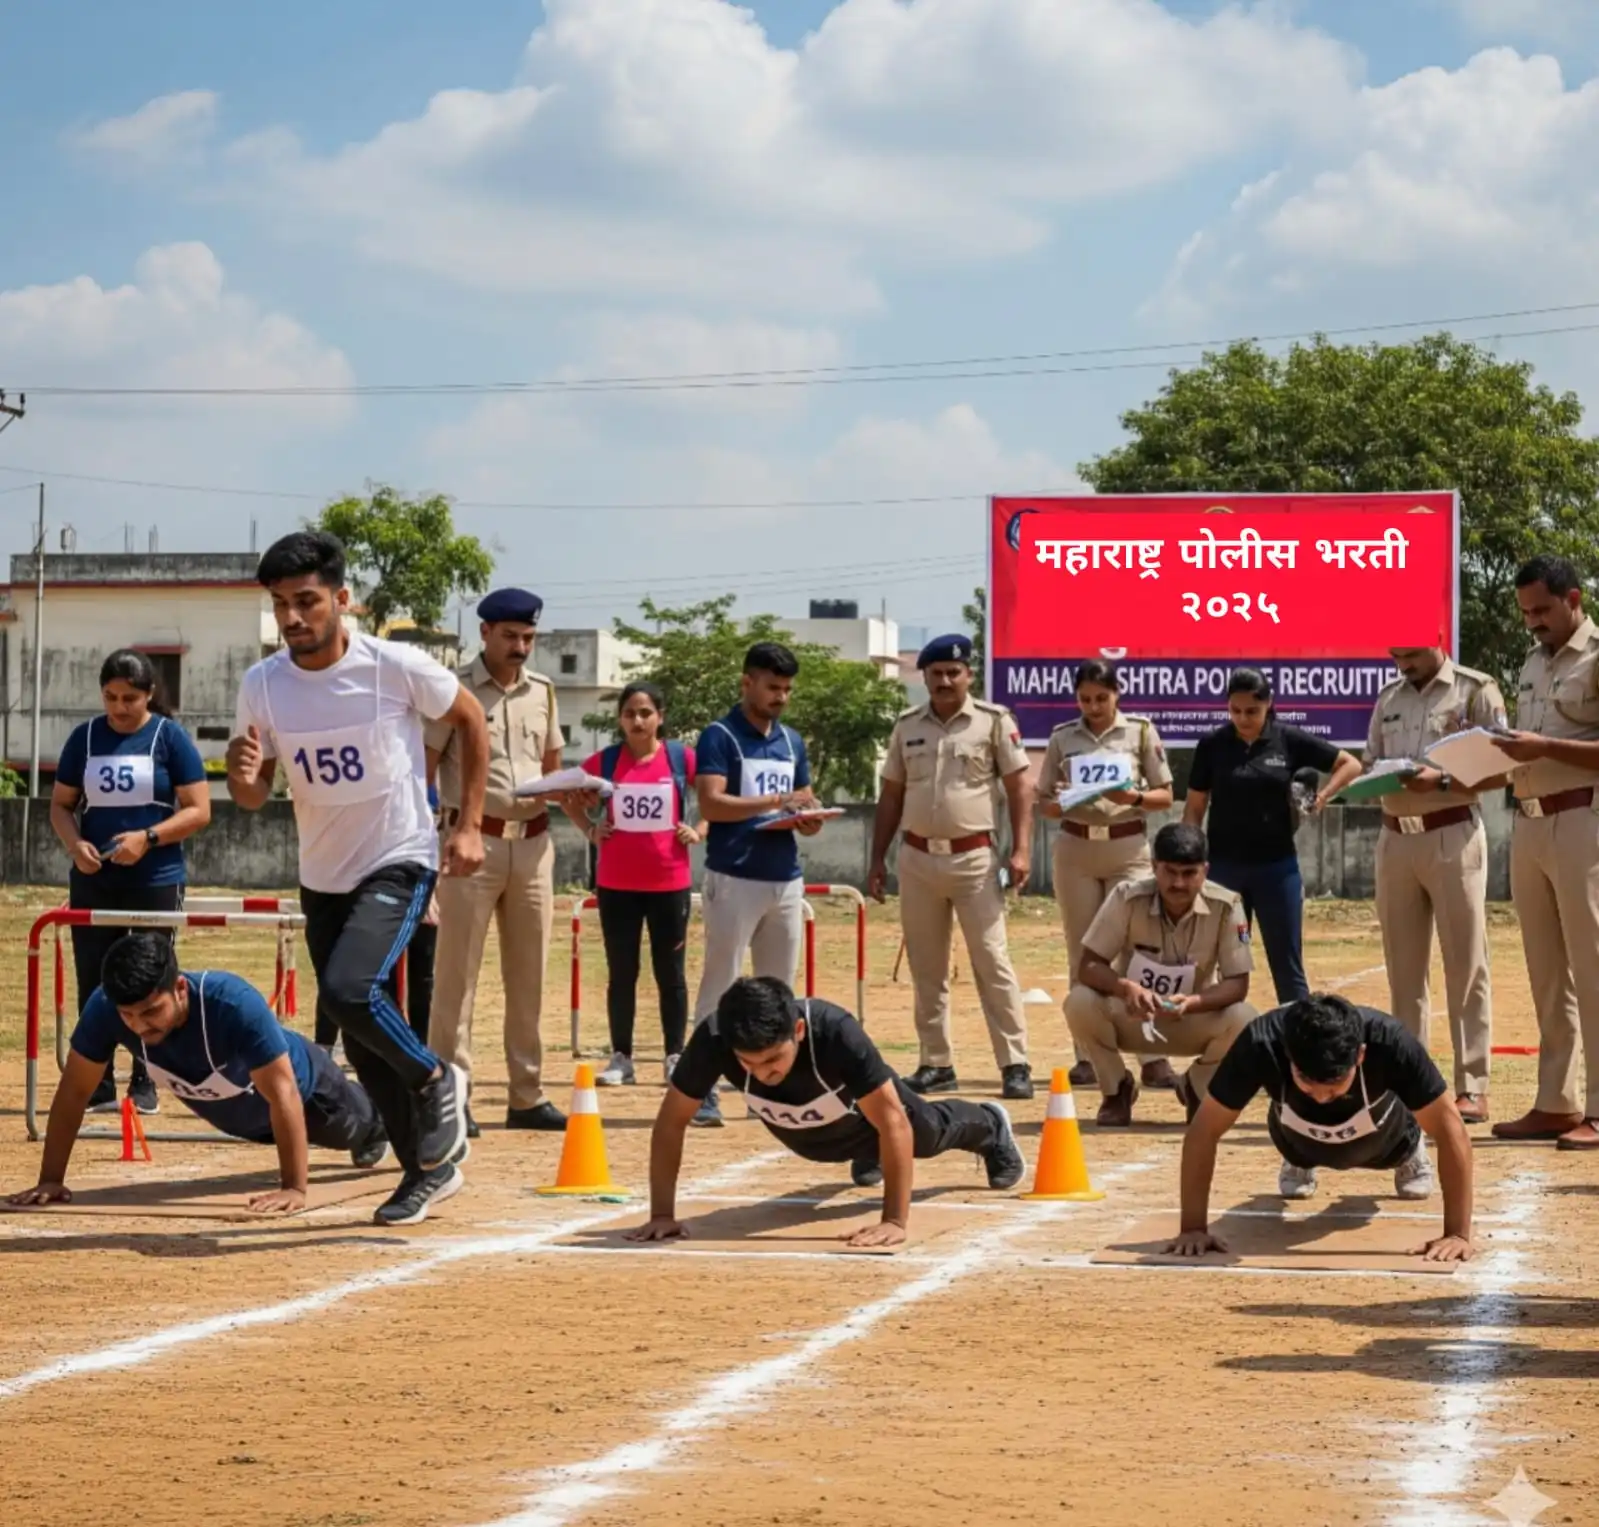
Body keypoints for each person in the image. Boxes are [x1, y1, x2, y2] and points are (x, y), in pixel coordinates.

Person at [226, 530, 488, 1227]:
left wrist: (467, 826)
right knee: (365, 1043)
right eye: (280, 604)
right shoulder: (263, 685)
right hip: (323, 875)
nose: (292, 618)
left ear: (343, 600)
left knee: (348, 992)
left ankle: (438, 1078)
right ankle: (424, 1170)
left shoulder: (391, 666)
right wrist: (242, 772)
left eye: (307, 601)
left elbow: (469, 717)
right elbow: (252, 795)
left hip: (399, 856)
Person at [626, 976, 1026, 1250]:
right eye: (748, 1064)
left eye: (773, 1060)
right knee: (846, 1143)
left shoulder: (835, 1032)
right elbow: (671, 1122)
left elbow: (892, 1121)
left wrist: (894, 1221)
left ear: (797, 1031)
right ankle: (871, 1154)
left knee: (926, 1134)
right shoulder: (714, 1038)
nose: (765, 1074)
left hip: (874, 1117)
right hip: (813, 1137)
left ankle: (989, 1125)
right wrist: (662, 1213)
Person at [10, 932, 390, 1218]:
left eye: (151, 1012)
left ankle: (401, 1114)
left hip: (310, 1096)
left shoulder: (232, 1003)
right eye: (128, 1016)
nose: (139, 1026)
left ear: (179, 988)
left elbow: (284, 1093)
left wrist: (294, 1188)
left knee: (360, 1128)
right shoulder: (104, 1009)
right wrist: (51, 1178)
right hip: (243, 1116)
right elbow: (74, 1091)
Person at [1168, 994, 1474, 1262]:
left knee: (1373, 1163)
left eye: (1334, 1086)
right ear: (1288, 1056)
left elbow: (1451, 1129)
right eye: (1308, 1084)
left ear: (1360, 1055)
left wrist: (1457, 1234)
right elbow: (1204, 1130)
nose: (1322, 1098)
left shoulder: (1390, 1042)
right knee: (1297, 1123)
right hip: (1294, 1133)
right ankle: (1299, 1160)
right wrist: (1193, 1228)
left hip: (1384, 1136)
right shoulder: (1261, 1043)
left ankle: (1409, 1153)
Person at [425, 588, 567, 1135]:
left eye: (528, 637)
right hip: (470, 844)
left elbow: (552, 767)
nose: (520, 647)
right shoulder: (452, 690)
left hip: (533, 845)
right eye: (510, 636)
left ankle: (526, 1095)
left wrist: (577, 794)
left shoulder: (545, 692)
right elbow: (425, 765)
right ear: (484, 632)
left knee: (528, 975)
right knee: (456, 976)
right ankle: (452, 1093)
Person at [869, 634, 1034, 1101]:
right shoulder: (906, 727)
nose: (944, 681)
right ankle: (935, 1062)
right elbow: (891, 796)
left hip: (975, 859)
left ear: (968, 675)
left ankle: (1014, 1062)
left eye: (953, 672)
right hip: (917, 859)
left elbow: (1021, 788)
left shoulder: (994, 722)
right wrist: (877, 859)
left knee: (992, 962)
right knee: (927, 969)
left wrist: (1021, 850)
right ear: (923, 677)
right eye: (936, 673)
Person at [50, 648, 211, 1116]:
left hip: (154, 879)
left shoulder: (169, 738)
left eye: (130, 698)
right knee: (94, 980)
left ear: (149, 695)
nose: (119, 708)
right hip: (95, 880)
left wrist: (149, 837)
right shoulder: (84, 739)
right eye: (110, 697)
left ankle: (146, 1079)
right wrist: (75, 845)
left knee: (148, 981)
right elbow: (61, 806)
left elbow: (200, 810)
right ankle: (96, 1079)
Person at [1363, 646, 1506, 1125]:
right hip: (1394, 838)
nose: (1401, 660)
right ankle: (1410, 1082)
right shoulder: (1388, 698)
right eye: (1394, 652)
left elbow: (1501, 768)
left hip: (1452, 834)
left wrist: (1441, 780)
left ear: (1436, 635)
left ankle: (1472, 1086)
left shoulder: (1475, 689)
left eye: (1409, 650)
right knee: (1404, 970)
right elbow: (1370, 762)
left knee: (1465, 965)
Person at [691, 641, 823, 1127]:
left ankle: (780, 1085)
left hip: (784, 877)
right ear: (747, 682)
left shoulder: (791, 741)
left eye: (787, 689)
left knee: (779, 991)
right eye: (773, 687)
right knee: (721, 982)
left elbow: (803, 799)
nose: (781, 697)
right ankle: (702, 1086)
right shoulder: (720, 735)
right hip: (734, 875)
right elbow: (711, 803)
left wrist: (808, 817)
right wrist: (774, 803)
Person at [1492, 555, 1599, 1149]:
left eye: (1542, 609)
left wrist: (1543, 744)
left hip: (1585, 820)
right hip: (1529, 823)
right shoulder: (1533, 662)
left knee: (1594, 969)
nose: (1533, 621)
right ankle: (1557, 1103)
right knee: (1547, 973)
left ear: (1573, 598)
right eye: (1526, 612)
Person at [1035, 659, 1177, 1093]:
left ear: (1118, 693)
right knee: (1083, 950)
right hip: (1076, 847)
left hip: (1127, 846)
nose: (1093, 706)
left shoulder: (1139, 732)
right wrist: (1057, 801)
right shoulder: (1063, 738)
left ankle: (1152, 1055)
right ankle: (1088, 1053)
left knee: (1138, 949)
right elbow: (1043, 800)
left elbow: (1166, 795)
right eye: (1085, 699)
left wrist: (1131, 794)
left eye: (1101, 697)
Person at [1183, 669, 1362, 1003]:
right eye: (1235, 710)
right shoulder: (1212, 745)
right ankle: (1228, 1047)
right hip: (1223, 871)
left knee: (1288, 968)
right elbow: (1195, 807)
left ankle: (1299, 1046)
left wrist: (1322, 797)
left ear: (1269, 704)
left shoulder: (1288, 739)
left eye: (1252, 710)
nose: (1242, 718)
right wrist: (1189, 858)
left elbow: (1350, 764)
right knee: (1227, 967)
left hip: (1276, 869)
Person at [1064, 822, 1257, 1125]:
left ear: (1204, 870)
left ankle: (1196, 1086)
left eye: (1189, 873)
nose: (1179, 883)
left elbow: (1238, 984)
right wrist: (1125, 987)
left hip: (1190, 1018)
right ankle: (1116, 1090)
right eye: (1170, 872)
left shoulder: (1228, 906)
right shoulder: (1126, 897)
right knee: (1078, 1001)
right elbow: (1087, 965)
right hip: (1132, 1016)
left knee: (1245, 1017)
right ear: (1154, 867)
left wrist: (1191, 1003)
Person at [570, 682, 707, 1087]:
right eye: (629, 713)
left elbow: (717, 794)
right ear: (620, 719)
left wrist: (699, 828)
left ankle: (674, 1055)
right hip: (616, 884)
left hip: (670, 882)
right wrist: (591, 829)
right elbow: (567, 794)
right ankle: (621, 1058)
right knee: (622, 971)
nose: (638, 720)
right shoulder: (607, 761)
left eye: (646, 712)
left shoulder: (681, 758)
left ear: (660, 717)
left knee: (671, 973)